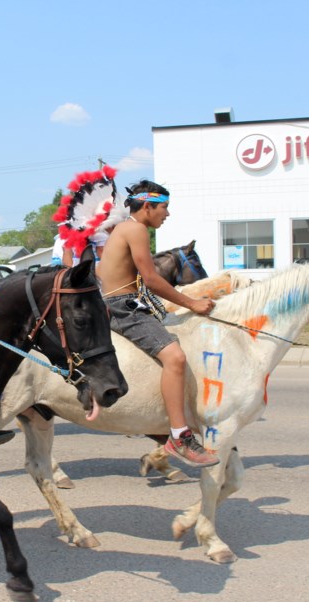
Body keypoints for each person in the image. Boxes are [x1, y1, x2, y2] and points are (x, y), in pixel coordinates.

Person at [98, 179, 220, 467]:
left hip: (115, 304)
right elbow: (151, 278)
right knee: (175, 357)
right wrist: (192, 303)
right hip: (122, 308)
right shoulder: (136, 229)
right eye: (164, 207)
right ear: (148, 206)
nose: (167, 213)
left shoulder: (124, 229)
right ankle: (179, 437)